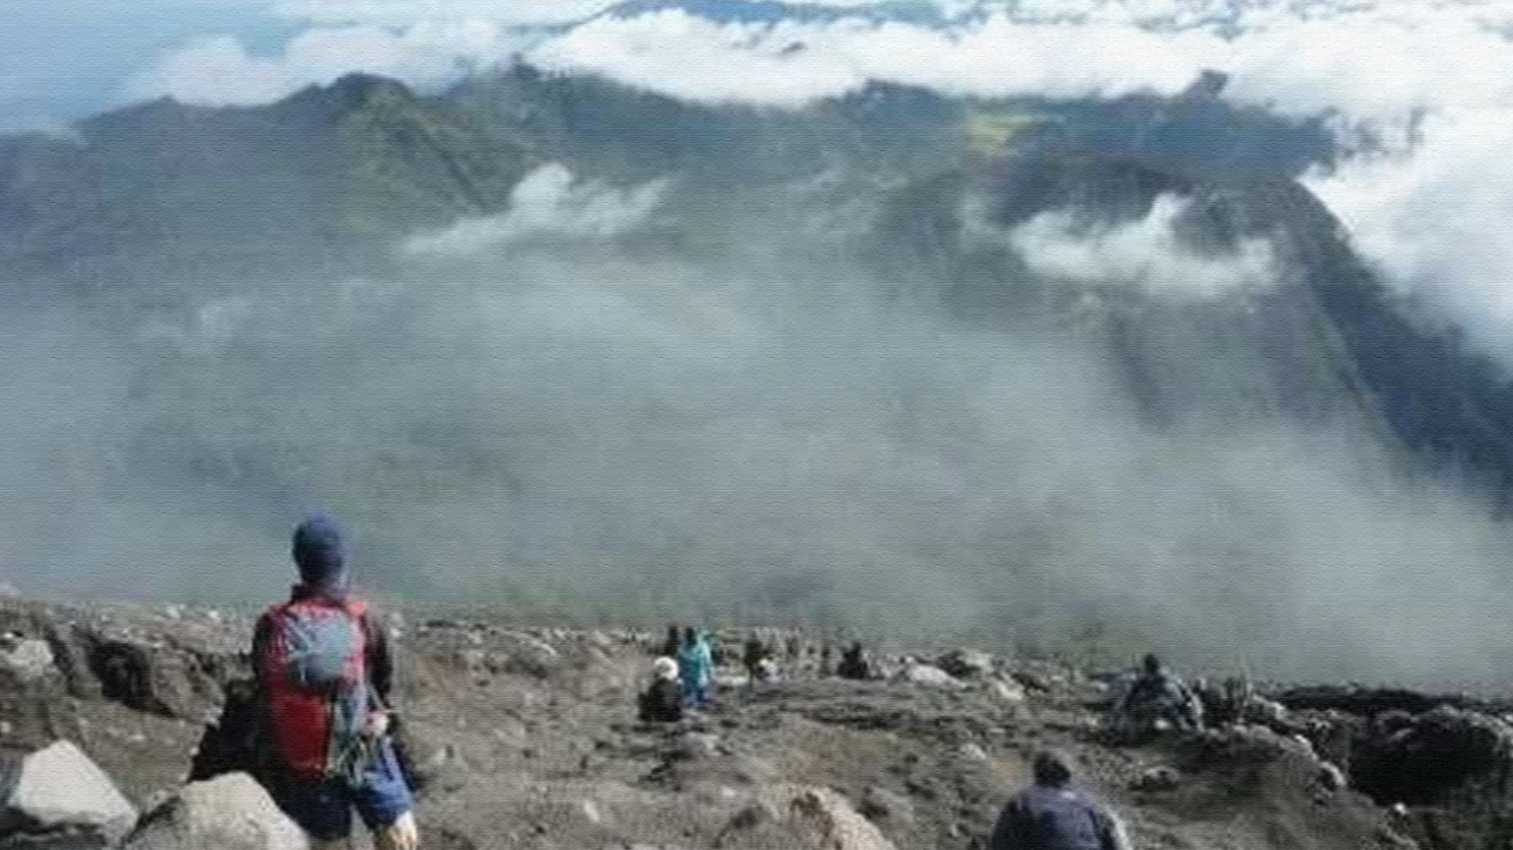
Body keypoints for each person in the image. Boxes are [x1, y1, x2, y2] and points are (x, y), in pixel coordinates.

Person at [251, 515, 419, 850]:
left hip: (305, 756)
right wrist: (382, 714)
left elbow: (264, 681)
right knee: (400, 838)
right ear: (342, 561)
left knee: (325, 842)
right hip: (365, 744)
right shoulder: (363, 617)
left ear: (299, 562)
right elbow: (384, 680)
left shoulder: (272, 623)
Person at [989, 750, 1131, 850]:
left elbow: (1001, 843)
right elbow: (1116, 839)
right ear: (1069, 772)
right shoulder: (1090, 801)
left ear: (1036, 772)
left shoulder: (1023, 801)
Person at [1110, 653, 1203, 743]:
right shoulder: (1168, 673)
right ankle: (1193, 731)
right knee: (1185, 717)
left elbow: (1140, 690)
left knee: (1167, 712)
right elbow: (1182, 687)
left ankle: (1122, 734)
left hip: (1170, 703)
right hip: (1179, 702)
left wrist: (1131, 700)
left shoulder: (1154, 677)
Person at [638, 657, 685, 723]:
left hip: (658, 719)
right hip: (675, 718)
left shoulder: (655, 687)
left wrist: (642, 693)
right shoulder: (678, 686)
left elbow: (648, 709)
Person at [677, 627, 715, 707]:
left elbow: (708, 662)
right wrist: (679, 675)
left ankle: (699, 705)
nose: (691, 637)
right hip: (687, 678)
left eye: (693, 635)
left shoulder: (702, 646)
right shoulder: (683, 646)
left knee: (699, 698)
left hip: (699, 677)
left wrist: (711, 675)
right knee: (689, 700)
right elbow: (680, 661)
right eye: (689, 635)